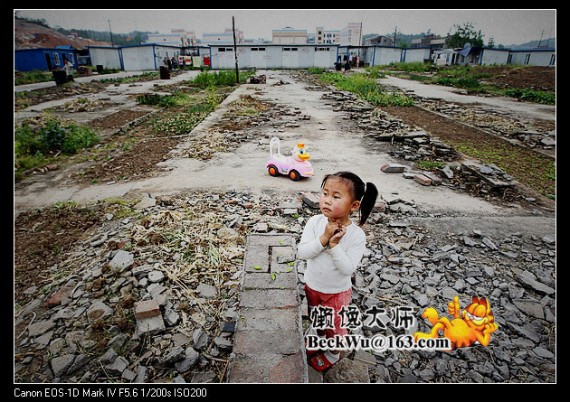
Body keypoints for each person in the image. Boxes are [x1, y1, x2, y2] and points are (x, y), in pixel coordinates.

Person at [298, 171, 378, 372]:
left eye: (336, 197)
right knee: (316, 316)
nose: (326, 201)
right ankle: (317, 335)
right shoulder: (315, 223)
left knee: (334, 327)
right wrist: (323, 239)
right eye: (324, 194)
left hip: (336, 292)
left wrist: (334, 246)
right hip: (313, 285)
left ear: (354, 206)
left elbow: (348, 269)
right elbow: (303, 252)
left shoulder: (356, 235)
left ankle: (333, 352)